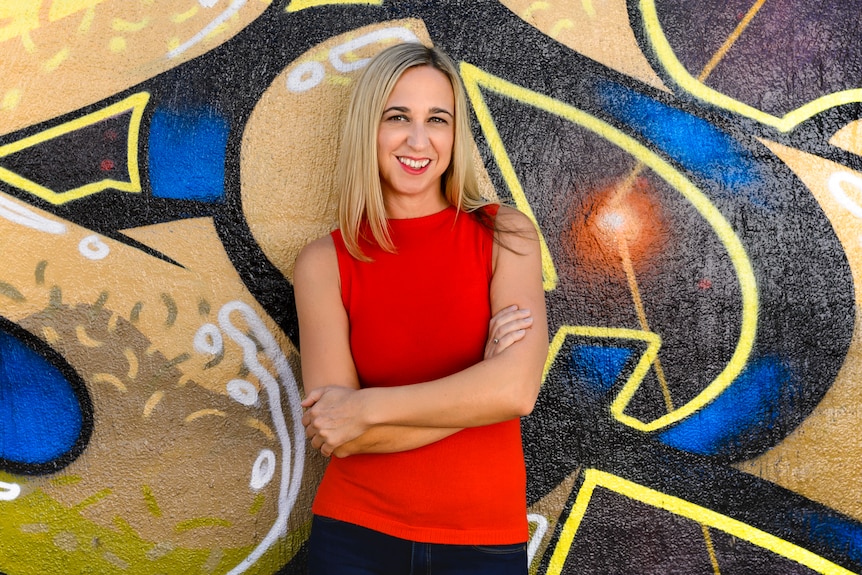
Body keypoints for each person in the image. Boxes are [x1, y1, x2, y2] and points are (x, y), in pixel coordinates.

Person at [294, 42, 548, 575]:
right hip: (354, 538)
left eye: (438, 119)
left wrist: (366, 407)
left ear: (456, 136)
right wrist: (479, 384)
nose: (418, 140)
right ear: (370, 128)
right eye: (397, 117)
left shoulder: (507, 236)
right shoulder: (324, 263)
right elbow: (338, 436)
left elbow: (516, 392)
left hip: (482, 543)